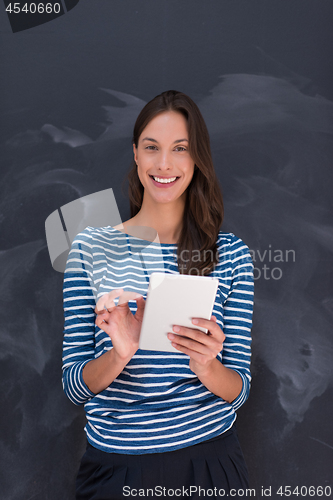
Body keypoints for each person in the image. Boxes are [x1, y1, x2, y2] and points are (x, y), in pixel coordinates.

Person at [62, 90, 254, 499]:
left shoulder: (232, 253)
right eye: (152, 147)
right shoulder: (90, 248)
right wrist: (120, 353)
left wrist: (206, 365)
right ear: (135, 153)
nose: (164, 163)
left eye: (180, 149)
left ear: (197, 157)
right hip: (115, 472)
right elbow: (72, 386)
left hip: (209, 463)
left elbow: (241, 390)